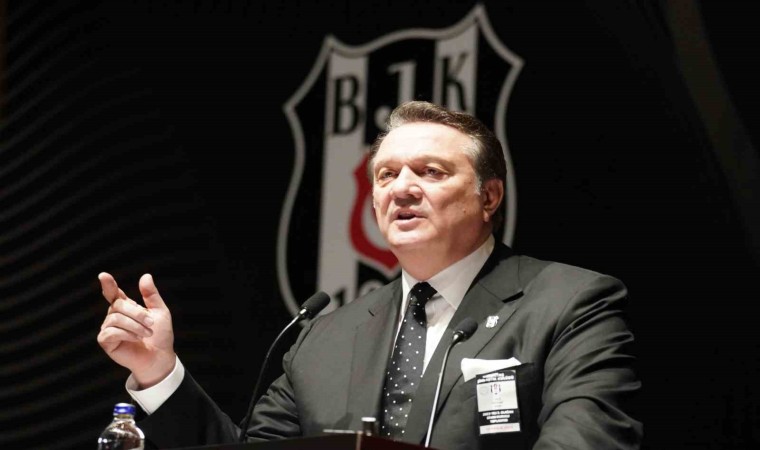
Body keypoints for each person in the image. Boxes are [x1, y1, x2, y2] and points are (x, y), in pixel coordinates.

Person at [97, 101, 642, 449]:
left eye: (430, 171)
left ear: (489, 196)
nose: (401, 188)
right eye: (386, 175)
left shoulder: (569, 302)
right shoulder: (322, 339)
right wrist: (158, 373)